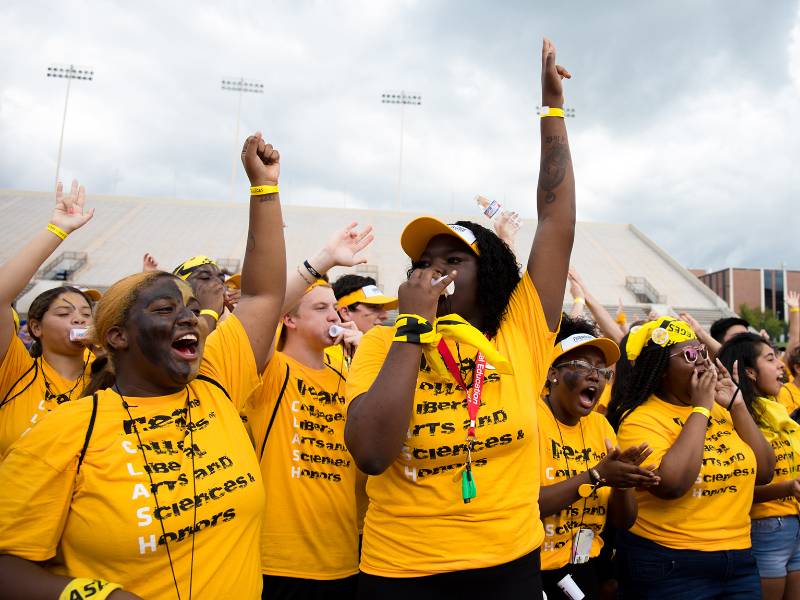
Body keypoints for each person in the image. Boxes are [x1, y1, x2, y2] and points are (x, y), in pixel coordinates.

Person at [0, 132, 286, 599]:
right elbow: (7, 565)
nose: (189, 316)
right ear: (117, 336)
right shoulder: (66, 430)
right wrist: (96, 596)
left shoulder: (217, 385)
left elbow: (263, 295)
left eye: (191, 307)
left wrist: (264, 188)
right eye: (164, 309)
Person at [345, 38, 574, 598]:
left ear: (488, 274)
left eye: (453, 261)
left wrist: (551, 109)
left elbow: (555, 223)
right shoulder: (384, 343)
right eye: (423, 263)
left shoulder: (520, 331)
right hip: (403, 571)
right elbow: (372, 453)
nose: (435, 272)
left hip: (508, 564)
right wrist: (412, 330)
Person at [244, 224, 373, 600]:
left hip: (345, 558)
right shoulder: (271, 370)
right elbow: (260, 311)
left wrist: (365, 364)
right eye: (320, 308)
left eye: (335, 308)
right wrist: (322, 261)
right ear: (289, 318)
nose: (334, 316)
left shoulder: (346, 376)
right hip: (280, 563)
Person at [607, 317, 775, 599]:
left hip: (738, 559)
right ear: (660, 370)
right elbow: (671, 484)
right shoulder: (640, 419)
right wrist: (700, 410)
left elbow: (766, 472)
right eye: (689, 355)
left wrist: (737, 405)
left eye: (701, 352)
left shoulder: (722, 409)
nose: (701, 362)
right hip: (671, 564)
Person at [538, 315, 658, 598]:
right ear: (552, 373)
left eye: (603, 371)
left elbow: (623, 520)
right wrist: (597, 475)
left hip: (587, 566)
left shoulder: (600, 425)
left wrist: (624, 481)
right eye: (581, 366)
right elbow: (524, 505)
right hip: (534, 571)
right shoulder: (530, 418)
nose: (595, 375)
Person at [0, 180, 96, 457]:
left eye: (86, 314)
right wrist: (58, 229)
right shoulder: (17, 370)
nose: (79, 320)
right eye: (65, 313)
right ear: (35, 327)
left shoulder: (109, 373)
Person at [718, 333, 800, 600]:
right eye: (770, 358)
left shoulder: (776, 412)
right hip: (765, 528)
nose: (780, 365)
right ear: (750, 372)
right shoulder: (738, 419)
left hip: (794, 525)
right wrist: (788, 488)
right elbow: (738, 487)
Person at [332, 274, 398, 334]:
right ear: (345, 312)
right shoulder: (326, 346)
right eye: (374, 307)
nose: (385, 316)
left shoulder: (383, 344)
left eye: (383, 307)